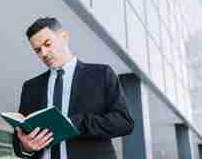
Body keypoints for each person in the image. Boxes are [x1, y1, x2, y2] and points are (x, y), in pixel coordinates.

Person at [12, 17, 134, 159]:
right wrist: (25, 146)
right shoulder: (31, 87)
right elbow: (19, 139)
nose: (44, 53)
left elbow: (124, 122)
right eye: (38, 50)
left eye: (48, 44)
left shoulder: (101, 74)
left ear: (64, 37)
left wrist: (75, 123)